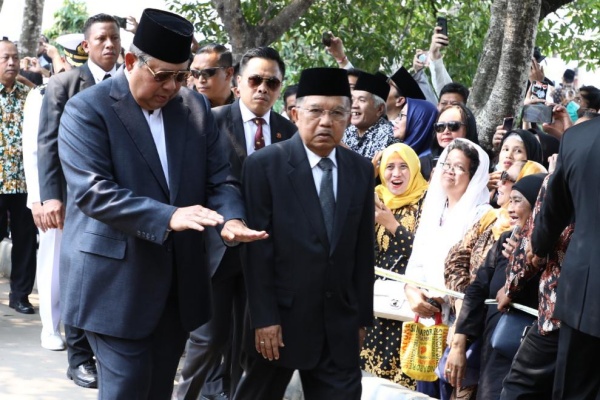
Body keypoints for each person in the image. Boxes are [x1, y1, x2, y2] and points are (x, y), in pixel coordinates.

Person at [57, 9, 266, 399]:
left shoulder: (194, 110)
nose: (173, 87)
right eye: (163, 76)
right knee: (128, 389)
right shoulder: (88, 109)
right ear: (132, 61)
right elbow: (93, 192)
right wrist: (170, 216)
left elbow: (220, 178)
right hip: (114, 283)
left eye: (181, 76)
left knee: (156, 390)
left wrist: (230, 219)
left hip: (176, 284)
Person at [235, 67, 374, 400]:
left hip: (337, 325)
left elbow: (362, 249)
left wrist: (361, 318)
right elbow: (256, 252)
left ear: (348, 117)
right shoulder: (265, 166)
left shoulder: (360, 169)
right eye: (316, 111)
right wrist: (264, 317)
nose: (326, 122)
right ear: (296, 113)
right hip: (278, 324)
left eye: (338, 112)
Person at [177, 46, 296, 400]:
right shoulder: (209, 122)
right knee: (207, 342)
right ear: (238, 81)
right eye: (256, 80)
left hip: (264, 256)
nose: (263, 88)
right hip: (216, 251)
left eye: (271, 82)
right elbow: (193, 187)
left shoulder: (289, 134)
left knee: (253, 347)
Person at [37, 13, 122, 389]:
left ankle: (105, 353)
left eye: (114, 38)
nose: (109, 45)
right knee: (76, 277)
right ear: (86, 45)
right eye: (101, 38)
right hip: (73, 200)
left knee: (108, 278)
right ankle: (78, 358)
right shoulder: (64, 84)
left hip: (116, 199)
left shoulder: (128, 83)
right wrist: (51, 197)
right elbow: (47, 144)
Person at [445, 174, 546, 400]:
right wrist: (459, 344)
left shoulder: (551, 251)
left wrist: (526, 262)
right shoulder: (505, 241)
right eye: (509, 200)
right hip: (494, 350)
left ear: (539, 204)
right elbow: (477, 289)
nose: (510, 208)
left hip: (530, 355)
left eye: (518, 200)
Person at [530, 116, 600, 399]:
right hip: (583, 293)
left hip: (585, 291)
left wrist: (540, 246)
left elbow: (553, 211)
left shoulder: (579, 137)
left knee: (574, 389)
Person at [360, 143, 428, 389]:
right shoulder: (372, 197)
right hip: (373, 302)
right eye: (389, 167)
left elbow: (427, 254)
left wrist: (392, 226)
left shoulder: (426, 202)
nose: (396, 174)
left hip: (407, 305)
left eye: (403, 167)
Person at [0, 39, 38, 316]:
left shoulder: (31, 95)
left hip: (25, 182)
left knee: (25, 241)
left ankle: (20, 295)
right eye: (5, 58)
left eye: (15, 57)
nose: (12, 62)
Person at [420, 103, 480, 181]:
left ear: (468, 129)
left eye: (453, 126)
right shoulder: (423, 164)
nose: (446, 131)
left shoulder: (482, 162)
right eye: (440, 126)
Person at [343, 71, 396, 158]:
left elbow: (371, 169)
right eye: (352, 99)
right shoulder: (347, 130)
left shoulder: (389, 136)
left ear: (379, 109)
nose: (354, 105)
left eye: (362, 100)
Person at [190, 43, 235, 107]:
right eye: (195, 73)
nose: (201, 80)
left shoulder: (245, 108)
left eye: (207, 72)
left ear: (228, 73)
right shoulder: (184, 109)